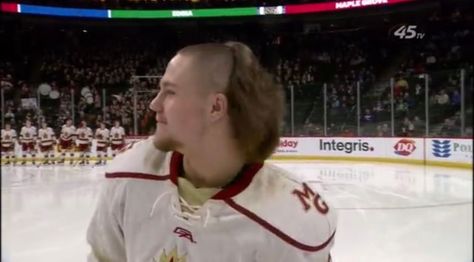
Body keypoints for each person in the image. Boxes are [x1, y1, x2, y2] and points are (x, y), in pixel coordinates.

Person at [87, 42, 337, 262]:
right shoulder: (129, 176)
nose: (154, 104)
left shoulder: (291, 221)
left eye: (170, 92)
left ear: (215, 107)